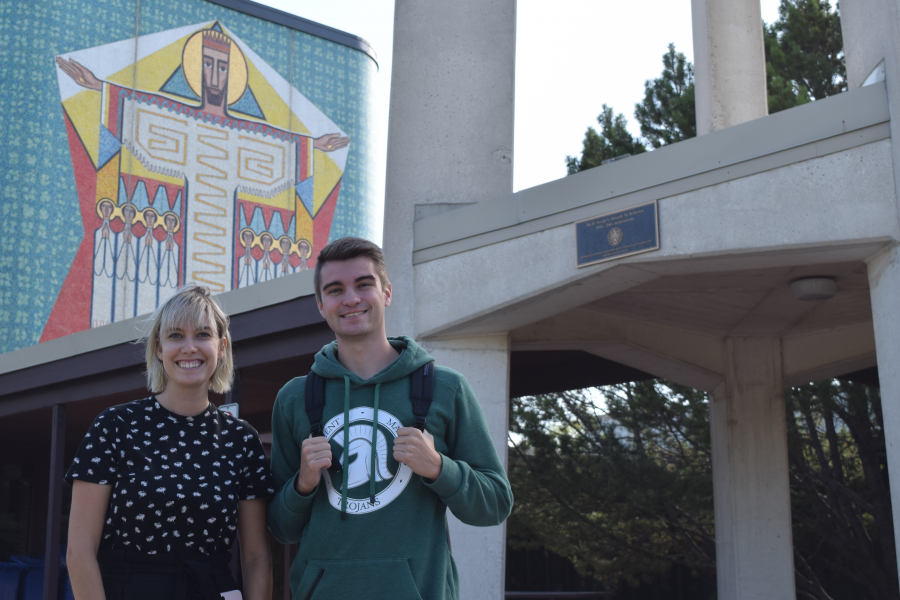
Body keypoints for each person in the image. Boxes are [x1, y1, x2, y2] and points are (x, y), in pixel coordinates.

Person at [267, 237, 513, 600]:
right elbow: (279, 528)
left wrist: (438, 468)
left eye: (363, 284)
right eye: (335, 290)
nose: (351, 298)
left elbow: (495, 505)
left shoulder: (446, 388)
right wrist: (303, 485)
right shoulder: (295, 398)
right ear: (321, 305)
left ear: (386, 292)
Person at [66, 285, 274, 600]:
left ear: (221, 347)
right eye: (176, 335)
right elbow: (79, 550)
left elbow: (257, 557)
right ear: (160, 348)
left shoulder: (241, 439)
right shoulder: (115, 426)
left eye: (203, 335)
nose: (189, 347)